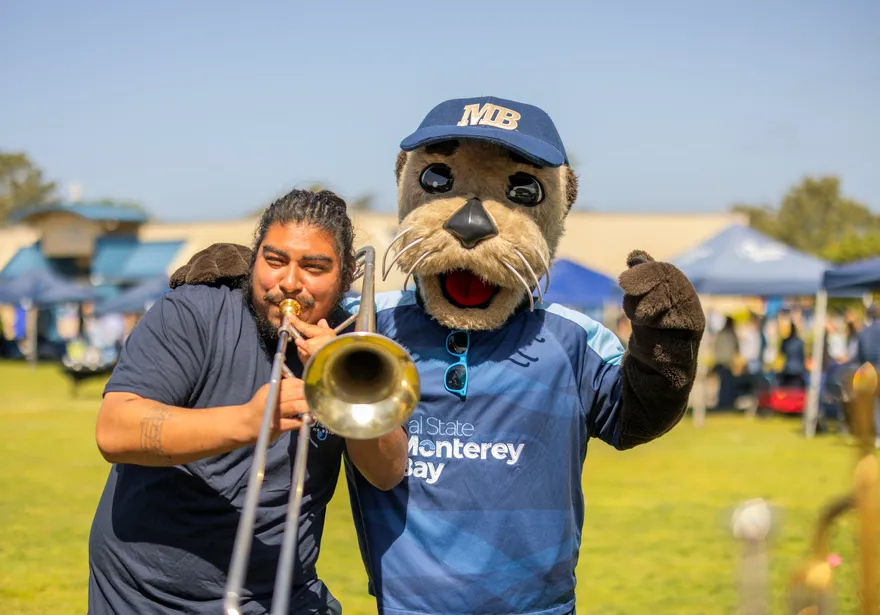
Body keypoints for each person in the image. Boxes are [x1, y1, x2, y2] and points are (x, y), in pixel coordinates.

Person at [87, 189, 409, 615]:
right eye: (274, 261)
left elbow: (387, 473)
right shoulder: (193, 311)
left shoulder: (353, 347)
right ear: (254, 257)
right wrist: (247, 422)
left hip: (281, 591)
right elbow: (115, 430)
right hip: (148, 594)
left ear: (347, 274)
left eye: (314, 267)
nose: (289, 282)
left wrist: (345, 382)